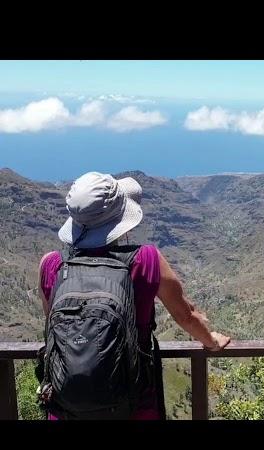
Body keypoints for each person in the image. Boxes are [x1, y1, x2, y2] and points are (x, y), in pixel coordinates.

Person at [38, 171, 230, 419]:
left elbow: (53, 329)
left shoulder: (51, 264)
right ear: (120, 219)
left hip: (67, 409)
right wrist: (211, 340)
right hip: (134, 406)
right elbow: (186, 316)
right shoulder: (146, 259)